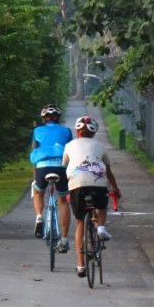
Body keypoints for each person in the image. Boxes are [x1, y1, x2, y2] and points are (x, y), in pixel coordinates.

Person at [62, 116, 120, 278]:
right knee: (101, 206)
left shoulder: (69, 145)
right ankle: (100, 226)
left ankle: (81, 266)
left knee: (80, 222)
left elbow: (65, 165)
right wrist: (115, 189)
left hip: (77, 186)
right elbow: (108, 173)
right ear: (94, 133)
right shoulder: (100, 146)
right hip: (98, 184)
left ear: (77, 131)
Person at [30, 104, 73, 252]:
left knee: (38, 192)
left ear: (43, 119)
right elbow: (70, 153)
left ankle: (39, 217)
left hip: (42, 167)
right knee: (63, 201)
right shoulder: (66, 131)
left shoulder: (37, 131)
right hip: (61, 167)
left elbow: (35, 152)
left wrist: (35, 175)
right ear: (59, 119)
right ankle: (65, 239)